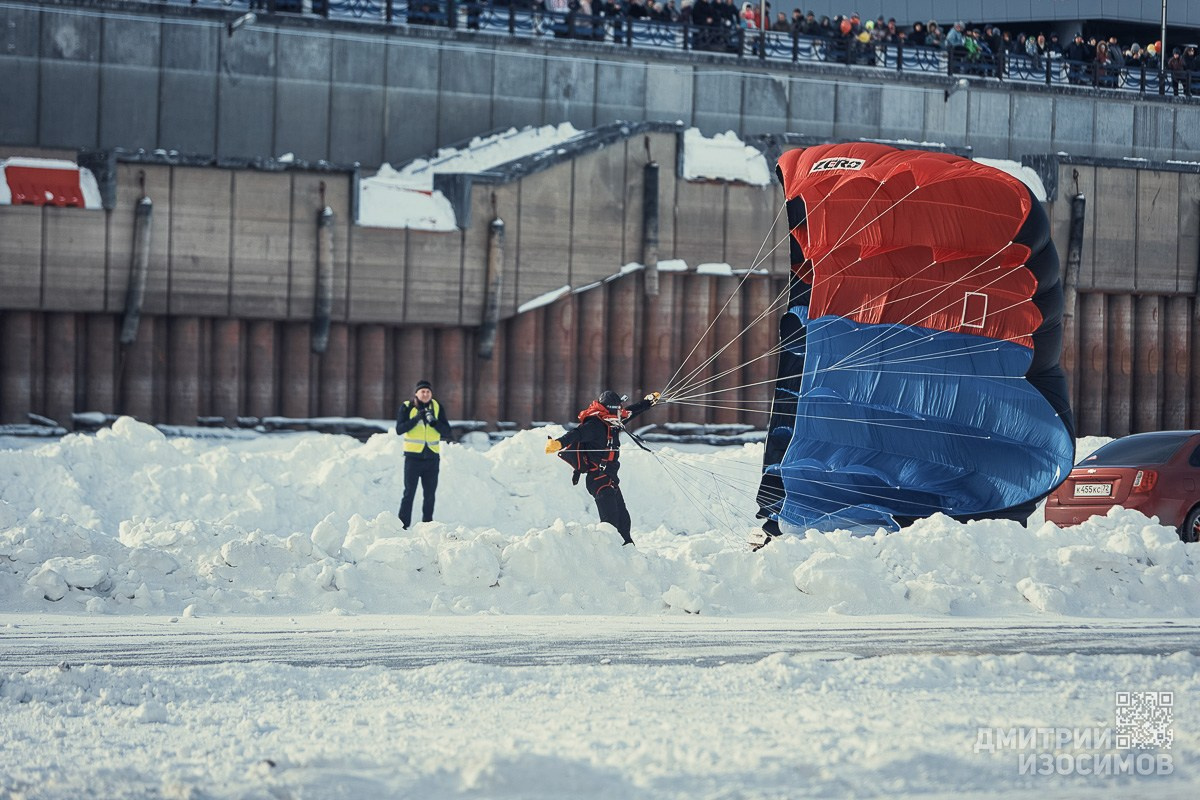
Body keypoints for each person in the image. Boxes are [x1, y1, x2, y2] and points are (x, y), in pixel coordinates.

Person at [545, 389, 660, 545]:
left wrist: (648, 402)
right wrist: (558, 443)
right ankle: (609, 555)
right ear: (611, 409)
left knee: (623, 520)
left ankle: (629, 553)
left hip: (610, 478)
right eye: (619, 409)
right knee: (610, 524)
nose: (622, 412)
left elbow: (631, 411)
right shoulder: (594, 425)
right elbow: (576, 434)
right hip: (598, 479)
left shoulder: (614, 422)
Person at [396, 379, 452, 529]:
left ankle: (427, 525)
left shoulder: (437, 407)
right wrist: (416, 419)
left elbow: (447, 431)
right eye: (422, 391)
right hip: (413, 458)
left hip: (432, 458)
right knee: (409, 493)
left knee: (429, 495)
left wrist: (435, 423)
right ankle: (402, 525)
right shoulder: (407, 407)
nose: (425, 394)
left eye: (428, 391)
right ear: (416, 393)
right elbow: (399, 429)